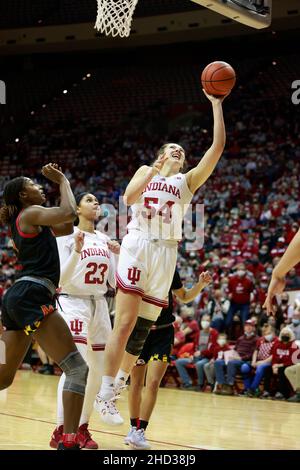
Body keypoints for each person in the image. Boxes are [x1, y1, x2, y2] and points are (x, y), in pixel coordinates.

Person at [96, 89, 229, 422]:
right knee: (125, 322)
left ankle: (117, 389)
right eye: (172, 148)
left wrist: (216, 105)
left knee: (141, 330)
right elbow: (127, 198)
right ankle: (104, 390)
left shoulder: (188, 181)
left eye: (181, 151)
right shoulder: (146, 170)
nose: (178, 151)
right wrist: (155, 170)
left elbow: (217, 149)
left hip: (167, 253)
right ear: (161, 154)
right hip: (139, 242)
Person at [0, 164, 88, 450]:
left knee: (2, 377)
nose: (40, 187)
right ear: (24, 195)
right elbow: (68, 213)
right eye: (34, 184)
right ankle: (70, 441)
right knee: (76, 369)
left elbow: (67, 224)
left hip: (16, 299)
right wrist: (63, 179)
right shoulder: (30, 213)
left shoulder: (25, 219)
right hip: (33, 294)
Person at [50, 192, 120, 449]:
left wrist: (117, 255)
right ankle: (61, 428)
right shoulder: (66, 236)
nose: (96, 203)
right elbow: (60, 278)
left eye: (97, 201)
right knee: (76, 368)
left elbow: (113, 282)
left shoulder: (104, 239)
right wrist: (77, 251)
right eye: (89, 200)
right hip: (72, 300)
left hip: (100, 304)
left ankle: (81, 427)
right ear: (77, 209)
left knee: (98, 371)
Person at [124, 269, 212, 450]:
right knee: (136, 382)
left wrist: (201, 284)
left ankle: (141, 431)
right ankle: (133, 427)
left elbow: (184, 296)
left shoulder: (170, 268)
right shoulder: (138, 266)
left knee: (154, 382)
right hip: (140, 330)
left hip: (163, 331)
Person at [175, 313, 218, 390]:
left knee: (199, 364)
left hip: (207, 358)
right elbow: (194, 347)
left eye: (207, 320)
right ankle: (187, 383)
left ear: (210, 322)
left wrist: (201, 353)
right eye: (203, 320)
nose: (205, 322)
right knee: (178, 362)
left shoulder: (214, 333)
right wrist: (191, 355)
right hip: (196, 357)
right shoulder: (199, 333)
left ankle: (200, 385)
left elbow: (213, 349)